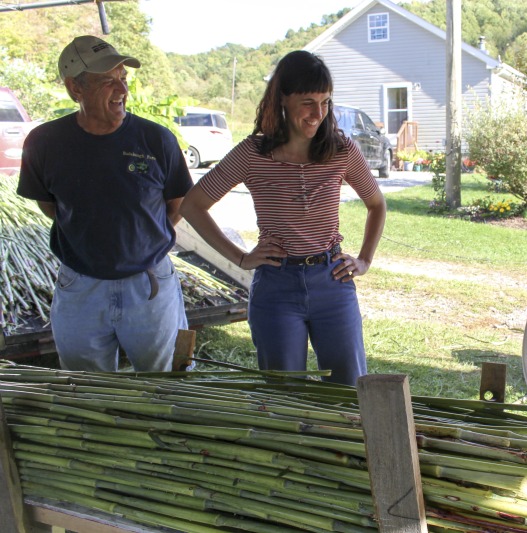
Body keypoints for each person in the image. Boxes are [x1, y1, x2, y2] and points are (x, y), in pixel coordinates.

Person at [179, 50, 386, 386]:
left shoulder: (341, 150)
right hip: (276, 287)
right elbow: (192, 206)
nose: (318, 113)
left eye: (325, 101)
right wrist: (241, 258)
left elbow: (376, 204)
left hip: (332, 282)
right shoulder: (252, 153)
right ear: (283, 99)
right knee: (285, 395)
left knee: (349, 389)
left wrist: (364, 260)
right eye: (307, 101)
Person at [16, 35, 193, 372]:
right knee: (86, 387)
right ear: (74, 88)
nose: (122, 91)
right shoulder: (44, 144)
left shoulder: (157, 140)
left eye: (123, 79)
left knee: (162, 380)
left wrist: (142, 242)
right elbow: (49, 205)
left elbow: (177, 204)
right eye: (107, 81)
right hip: (80, 285)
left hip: (149, 284)